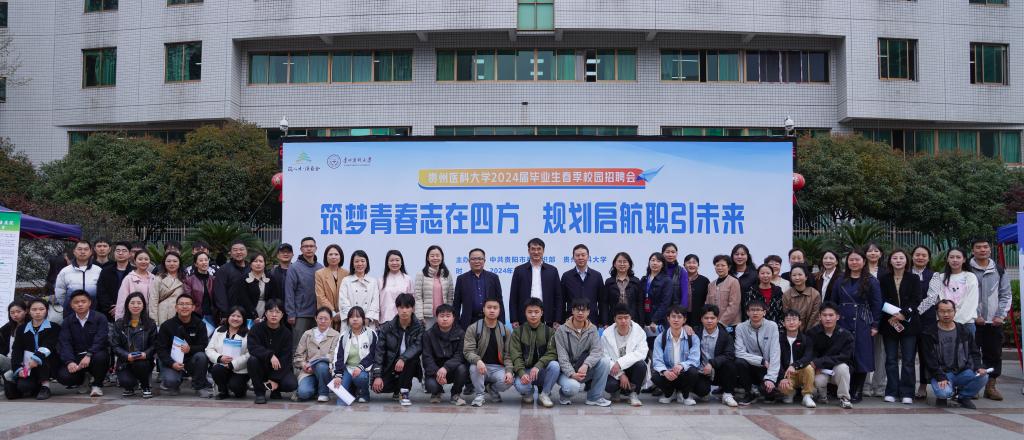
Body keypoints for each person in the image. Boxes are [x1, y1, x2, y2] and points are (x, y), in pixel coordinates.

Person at [827, 248, 881, 402]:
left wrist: (875, 325)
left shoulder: (871, 281)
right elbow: (833, 302)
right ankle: (842, 389)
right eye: (851, 259)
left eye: (857, 259)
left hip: (862, 322)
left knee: (860, 356)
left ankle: (857, 391)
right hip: (842, 321)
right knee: (842, 354)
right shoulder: (840, 280)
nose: (854, 262)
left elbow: (877, 304)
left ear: (863, 262)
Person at [921, 300, 989, 409]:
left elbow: (974, 352)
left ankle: (963, 397)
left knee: (983, 376)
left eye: (949, 311)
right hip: (941, 373)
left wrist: (978, 367)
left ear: (955, 311)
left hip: (962, 371)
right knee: (944, 393)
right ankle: (945, 394)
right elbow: (929, 359)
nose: (946, 314)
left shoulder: (964, 330)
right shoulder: (929, 333)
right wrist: (940, 376)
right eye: (942, 311)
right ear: (937, 313)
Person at [968, 238, 1010, 401]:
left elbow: (1005, 294)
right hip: (971, 321)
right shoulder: (966, 269)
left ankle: (990, 386)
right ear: (973, 250)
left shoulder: (999, 270)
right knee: (970, 354)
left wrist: (1000, 315)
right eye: (978, 247)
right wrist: (974, 315)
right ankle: (973, 386)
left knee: (993, 355)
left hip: (993, 322)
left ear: (990, 250)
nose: (982, 250)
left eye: (985, 247)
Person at [879, 249, 921, 404]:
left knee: (908, 360)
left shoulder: (914, 278)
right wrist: (892, 314)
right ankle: (891, 391)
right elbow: (881, 298)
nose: (898, 260)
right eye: (895, 258)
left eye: (901, 258)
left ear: (906, 261)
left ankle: (907, 392)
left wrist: (904, 313)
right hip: (889, 322)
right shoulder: (884, 278)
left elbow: (916, 299)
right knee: (890, 359)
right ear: (890, 261)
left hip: (909, 323)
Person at [554, 298, 612, 406]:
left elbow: (597, 351)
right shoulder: (561, 330)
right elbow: (562, 357)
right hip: (566, 371)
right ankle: (564, 394)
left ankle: (594, 397)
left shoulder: (593, 329)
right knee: (572, 387)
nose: (580, 313)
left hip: (583, 369)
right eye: (577, 310)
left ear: (588, 312)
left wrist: (586, 364)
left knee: (604, 362)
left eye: (583, 310)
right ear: (572, 311)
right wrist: (572, 374)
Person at [372, 293, 423, 406]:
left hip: (409, 363)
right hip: (390, 363)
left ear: (413, 309)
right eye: (401, 307)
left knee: (411, 360)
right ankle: (397, 389)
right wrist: (377, 376)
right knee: (379, 388)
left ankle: (404, 393)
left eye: (407, 307)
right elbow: (379, 353)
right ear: (397, 308)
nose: (404, 311)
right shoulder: (387, 327)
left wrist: (403, 358)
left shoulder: (419, 326)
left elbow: (418, 346)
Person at [55, 290, 110, 396]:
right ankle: (83, 380)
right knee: (64, 376)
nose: (80, 304)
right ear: (71, 305)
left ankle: (97, 384)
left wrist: (89, 354)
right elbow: (65, 343)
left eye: (83, 301)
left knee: (101, 357)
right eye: (76, 302)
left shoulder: (100, 318)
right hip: (77, 356)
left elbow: (101, 339)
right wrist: (70, 361)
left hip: (95, 355)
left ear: (89, 303)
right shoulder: (67, 321)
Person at [156, 294, 212, 397]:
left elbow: (204, 345)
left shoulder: (200, 324)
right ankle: (173, 381)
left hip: (190, 361)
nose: (184, 307)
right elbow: (161, 349)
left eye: (187, 304)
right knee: (171, 382)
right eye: (181, 304)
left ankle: (199, 386)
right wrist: (172, 363)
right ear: (176, 307)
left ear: (193, 307)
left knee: (201, 356)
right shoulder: (166, 325)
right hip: (172, 362)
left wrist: (190, 349)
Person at [4, 298, 60, 400]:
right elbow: (17, 350)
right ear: (28, 311)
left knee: (43, 355)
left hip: (48, 362)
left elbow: (48, 345)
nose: (38, 312)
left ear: (46, 310)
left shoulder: (54, 327)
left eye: (41, 309)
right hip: (28, 365)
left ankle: (45, 386)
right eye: (34, 309)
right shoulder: (22, 328)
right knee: (23, 386)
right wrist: (18, 369)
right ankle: (36, 386)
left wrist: (36, 359)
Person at [464, 295, 513, 407]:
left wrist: (509, 371)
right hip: (481, 365)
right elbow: (468, 351)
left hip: (498, 367)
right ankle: (479, 394)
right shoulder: (473, 328)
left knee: (509, 380)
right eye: (489, 307)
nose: (492, 310)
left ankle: (492, 388)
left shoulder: (505, 330)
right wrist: (478, 361)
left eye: (495, 308)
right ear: (483, 309)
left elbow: (508, 354)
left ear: (499, 310)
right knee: (473, 367)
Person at [510, 298, 559, 407]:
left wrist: (538, 366)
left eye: (536, 312)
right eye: (530, 312)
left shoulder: (549, 331)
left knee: (555, 365)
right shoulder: (518, 332)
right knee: (522, 387)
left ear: (542, 313)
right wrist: (522, 373)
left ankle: (545, 394)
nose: (533, 315)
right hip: (525, 371)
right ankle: (528, 393)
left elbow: (552, 353)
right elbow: (515, 356)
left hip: (541, 371)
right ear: (525, 313)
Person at [247, 299, 297, 404]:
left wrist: (274, 379)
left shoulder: (286, 333)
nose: (274, 315)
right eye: (271, 311)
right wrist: (270, 355)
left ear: (282, 315)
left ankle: (275, 389)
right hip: (262, 366)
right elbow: (253, 347)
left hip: (279, 368)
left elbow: (286, 358)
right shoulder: (256, 329)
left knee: (291, 384)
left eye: (277, 312)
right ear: (265, 313)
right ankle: (260, 393)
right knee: (252, 360)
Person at [807, 302, 855, 409]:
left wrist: (819, 362)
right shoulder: (812, 333)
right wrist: (816, 365)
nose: (828, 318)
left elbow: (845, 357)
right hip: (819, 370)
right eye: (824, 315)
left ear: (837, 317)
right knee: (818, 379)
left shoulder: (846, 335)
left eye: (831, 315)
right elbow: (809, 353)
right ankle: (822, 396)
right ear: (820, 316)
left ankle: (844, 398)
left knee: (843, 367)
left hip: (836, 370)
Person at [918, 249, 979, 331]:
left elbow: (971, 302)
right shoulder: (940, 277)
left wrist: (954, 321)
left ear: (964, 260)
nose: (955, 260)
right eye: (951, 257)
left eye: (958, 257)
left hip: (966, 323)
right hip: (943, 323)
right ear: (947, 259)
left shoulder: (970, 277)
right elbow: (934, 299)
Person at [734, 299, 781, 404]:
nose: (755, 313)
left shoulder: (772, 326)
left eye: (758, 310)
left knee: (769, 394)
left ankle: (761, 389)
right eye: (752, 310)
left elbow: (775, 353)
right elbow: (739, 352)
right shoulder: (740, 327)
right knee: (739, 362)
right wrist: (761, 361)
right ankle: (749, 392)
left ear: (764, 312)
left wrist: (771, 378)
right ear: (747, 312)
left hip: (768, 367)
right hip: (752, 365)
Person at [651, 305, 701, 405]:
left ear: (684, 320)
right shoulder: (660, 338)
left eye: (679, 317)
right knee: (655, 376)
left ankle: (685, 395)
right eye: (673, 316)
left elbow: (695, 359)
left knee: (693, 372)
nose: (676, 320)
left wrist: (681, 365)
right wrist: (665, 371)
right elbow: (657, 360)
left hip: (684, 373)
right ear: (668, 318)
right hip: (669, 374)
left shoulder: (693, 338)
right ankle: (669, 393)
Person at [111, 292, 157, 398]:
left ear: (143, 305)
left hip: (143, 361)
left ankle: (145, 386)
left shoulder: (150, 324)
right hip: (125, 361)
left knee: (140, 364)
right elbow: (115, 346)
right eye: (132, 303)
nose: (135, 306)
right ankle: (131, 385)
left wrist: (145, 354)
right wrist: (126, 355)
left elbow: (155, 344)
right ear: (127, 305)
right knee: (126, 383)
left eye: (139, 303)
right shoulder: (119, 324)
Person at [602, 303, 648, 406]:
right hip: (614, 370)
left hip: (631, 369)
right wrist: (621, 374)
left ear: (630, 318)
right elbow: (604, 357)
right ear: (614, 319)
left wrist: (620, 363)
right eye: (620, 318)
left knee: (641, 365)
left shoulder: (639, 331)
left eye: (626, 317)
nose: (623, 321)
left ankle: (633, 394)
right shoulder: (606, 334)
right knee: (610, 385)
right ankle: (615, 392)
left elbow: (641, 352)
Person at [509, 238, 562, 327]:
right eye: (533, 249)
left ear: (543, 251)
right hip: (525, 315)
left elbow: (558, 297)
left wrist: (558, 319)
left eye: (539, 249)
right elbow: (513, 297)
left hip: (547, 316)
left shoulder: (552, 270)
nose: (536, 252)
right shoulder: (519, 270)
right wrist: (514, 319)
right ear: (528, 251)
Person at [694, 304, 739, 407]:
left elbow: (729, 354)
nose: (709, 321)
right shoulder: (695, 332)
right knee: (702, 391)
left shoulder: (725, 335)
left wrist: (712, 363)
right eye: (706, 318)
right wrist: (686, 326)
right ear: (701, 319)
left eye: (712, 318)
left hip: (718, 371)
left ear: (717, 319)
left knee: (730, 365)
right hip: (702, 371)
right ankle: (702, 392)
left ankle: (727, 394)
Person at [422, 304, 467, 405]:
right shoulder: (428, 334)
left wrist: (446, 368)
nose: (445, 319)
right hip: (435, 371)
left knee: (462, 369)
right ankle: (436, 393)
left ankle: (455, 394)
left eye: (448, 316)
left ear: (453, 318)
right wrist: (437, 372)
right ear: (437, 318)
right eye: (442, 316)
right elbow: (427, 357)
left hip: (452, 369)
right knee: (431, 386)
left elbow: (460, 356)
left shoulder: (461, 334)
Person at [294, 307, 341, 402]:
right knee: (304, 393)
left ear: (331, 320)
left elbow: (333, 356)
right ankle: (315, 388)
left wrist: (314, 363)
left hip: (326, 371)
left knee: (321, 366)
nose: (323, 321)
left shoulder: (336, 335)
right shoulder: (307, 334)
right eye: (320, 318)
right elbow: (298, 355)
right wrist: (303, 365)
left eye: (326, 319)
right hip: (308, 372)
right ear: (315, 318)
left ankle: (323, 393)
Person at [332, 306, 377, 403]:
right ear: (348, 320)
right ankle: (352, 390)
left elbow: (373, 354)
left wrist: (360, 367)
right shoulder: (344, 335)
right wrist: (338, 375)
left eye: (358, 317)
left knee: (361, 377)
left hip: (363, 369)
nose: (355, 319)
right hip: (347, 368)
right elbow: (339, 356)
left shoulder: (370, 334)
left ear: (363, 319)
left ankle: (364, 394)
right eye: (352, 317)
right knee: (341, 402)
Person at [286, 237, 324, 347]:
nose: (309, 248)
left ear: (316, 248)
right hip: (300, 314)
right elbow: (289, 292)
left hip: (317, 314)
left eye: (311, 246)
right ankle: (296, 360)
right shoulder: (294, 267)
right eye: (305, 246)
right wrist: (291, 313)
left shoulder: (320, 267)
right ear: (301, 249)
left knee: (315, 345)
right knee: (298, 345)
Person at [910, 245, 937, 399]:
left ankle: (923, 385)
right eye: (917, 254)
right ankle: (908, 385)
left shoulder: (934, 276)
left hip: (927, 320)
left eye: (924, 255)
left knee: (925, 354)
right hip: (907, 320)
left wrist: (915, 311)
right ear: (912, 256)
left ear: (928, 258)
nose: (920, 257)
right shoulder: (905, 273)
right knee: (908, 354)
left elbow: (932, 298)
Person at [206, 306, 250, 399]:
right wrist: (219, 358)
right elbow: (209, 349)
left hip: (240, 369)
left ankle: (242, 388)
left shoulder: (248, 334)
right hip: (222, 365)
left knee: (237, 390)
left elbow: (249, 354)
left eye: (239, 316)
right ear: (228, 317)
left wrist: (232, 364)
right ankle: (223, 391)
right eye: (233, 315)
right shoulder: (219, 330)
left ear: (243, 319)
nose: (235, 319)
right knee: (217, 369)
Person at [453, 248, 504, 329]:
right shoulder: (461, 279)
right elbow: (456, 304)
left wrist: (501, 322)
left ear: (484, 260)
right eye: (473, 259)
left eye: (480, 259)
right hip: (468, 321)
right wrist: (455, 324)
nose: (477, 261)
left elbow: (499, 300)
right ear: (469, 261)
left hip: (490, 320)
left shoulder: (493, 277)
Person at [53, 239, 102, 321]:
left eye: (86, 249)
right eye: (79, 249)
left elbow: (102, 292)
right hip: (70, 313)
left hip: (94, 312)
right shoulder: (65, 271)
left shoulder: (98, 270)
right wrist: (69, 305)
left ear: (91, 252)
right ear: (74, 252)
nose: (82, 252)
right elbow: (60, 293)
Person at [777, 310, 816, 408]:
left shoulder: (806, 339)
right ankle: (790, 393)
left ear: (800, 323)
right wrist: (782, 377)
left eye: (794, 319)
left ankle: (807, 395)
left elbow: (808, 357)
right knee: (782, 387)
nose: (791, 322)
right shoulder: (778, 339)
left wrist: (794, 365)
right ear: (783, 323)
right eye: (788, 320)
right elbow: (776, 360)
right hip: (787, 373)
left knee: (809, 368)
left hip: (801, 371)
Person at [560, 244, 604, 325]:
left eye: (583, 255)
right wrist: (560, 320)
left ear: (588, 257)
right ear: (573, 258)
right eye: (577, 255)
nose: (580, 258)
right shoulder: (566, 276)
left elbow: (602, 301)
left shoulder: (597, 276)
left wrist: (603, 321)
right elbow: (561, 301)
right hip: (571, 320)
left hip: (592, 320)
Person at [414, 245, 455, 329]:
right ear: (427, 258)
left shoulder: (447, 274)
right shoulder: (421, 274)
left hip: (444, 316)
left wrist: (449, 314)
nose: (435, 258)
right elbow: (418, 297)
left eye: (437, 255)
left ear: (442, 257)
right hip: (427, 317)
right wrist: (420, 317)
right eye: (432, 256)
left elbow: (450, 297)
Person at [232, 254, 283, 321]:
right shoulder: (243, 279)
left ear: (264, 264)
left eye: (261, 261)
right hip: (248, 312)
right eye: (255, 261)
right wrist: (254, 315)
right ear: (250, 264)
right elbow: (243, 299)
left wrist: (267, 314)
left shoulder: (271, 279)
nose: (258, 264)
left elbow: (274, 298)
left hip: (268, 313)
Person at [339, 250, 380, 329]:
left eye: (362, 261)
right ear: (352, 264)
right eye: (357, 261)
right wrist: (353, 318)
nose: (360, 264)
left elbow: (375, 303)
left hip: (367, 323)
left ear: (367, 263)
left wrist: (367, 318)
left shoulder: (373, 281)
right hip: (350, 322)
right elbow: (343, 302)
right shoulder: (346, 281)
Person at [640, 253, 671, 351]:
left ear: (663, 264)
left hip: (659, 321)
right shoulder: (644, 279)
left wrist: (654, 320)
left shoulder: (666, 280)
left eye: (658, 261)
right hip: (644, 319)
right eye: (653, 260)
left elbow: (665, 303)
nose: (655, 263)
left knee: (658, 348)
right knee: (645, 348)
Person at [602, 252, 642, 327]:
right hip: (613, 320)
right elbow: (605, 304)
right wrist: (605, 322)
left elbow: (640, 304)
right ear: (614, 264)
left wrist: (641, 323)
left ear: (629, 264)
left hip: (632, 319)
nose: (622, 264)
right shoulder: (609, 282)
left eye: (625, 262)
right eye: (619, 261)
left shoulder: (636, 282)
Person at [97, 241, 133, 322]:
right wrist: (111, 307)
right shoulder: (105, 271)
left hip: (130, 313)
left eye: (124, 251)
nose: (120, 253)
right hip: (108, 314)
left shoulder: (134, 272)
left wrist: (121, 308)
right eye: (117, 250)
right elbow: (101, 292)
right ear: (114, 253)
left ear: (130, 254)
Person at [148, 251, 187, 326]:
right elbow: (153, 301)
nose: (171, 264)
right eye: (168, 261)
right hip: (163, 314)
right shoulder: (158, 279)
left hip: (180, 314)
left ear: (179, 263)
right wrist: (154, 322)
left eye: (175, 261)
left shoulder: (185, 279)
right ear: (164, 263)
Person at [214, 241, 249, 322]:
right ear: (230, 253)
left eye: (241, 249)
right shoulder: (224, 269)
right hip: (230, 314)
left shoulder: (251, 268)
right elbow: (220, 293)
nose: (238, 252)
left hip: (249, 313)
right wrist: (224, 313)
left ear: (246, 251)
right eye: (235, 250)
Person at [115, 251, 155, 320]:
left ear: (149, 261)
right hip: (133, 316)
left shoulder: (154, 278)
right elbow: (121, 300)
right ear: (135, 261)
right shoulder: (129, 278)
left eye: (146, 259)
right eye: (140, 259)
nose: (143, 262)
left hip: (150, 317)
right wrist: (119, 318)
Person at [314, 244, 348, 322]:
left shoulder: (346, 273)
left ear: (341, 257)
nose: (333, 257)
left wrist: (341, 312)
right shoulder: (319, 273)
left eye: (336, 254)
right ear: (326, 257)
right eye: (330, 254)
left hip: (343, 314)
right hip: (326, 313)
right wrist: (333, 313)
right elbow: (320, 296)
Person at [782, 264, 821, 332]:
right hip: (792, 332)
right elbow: (787, 315)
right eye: (794, 275)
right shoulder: (786, 295)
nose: (797, 278)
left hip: (811, 332)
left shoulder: (815, 294)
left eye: (800, 275)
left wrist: (808, 333)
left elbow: (815, 317)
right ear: (790, 277)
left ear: (806, 277)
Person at [706, 255, 742, 328]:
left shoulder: (734, 282)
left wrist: (721, 323)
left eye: (723, 265)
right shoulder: (711, 285)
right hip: (713, 324)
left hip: (731, 324)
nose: (720, 268)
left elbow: (734, 306)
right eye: (717, 265)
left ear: (729, 267)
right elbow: (708, 305)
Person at [379, 250, 414, 324]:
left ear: (401, 262)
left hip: (404, 320)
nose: (394, 263)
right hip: (386, 319)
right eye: (391, 260)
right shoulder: (380, 280)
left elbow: (412, 301)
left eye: (397, 260)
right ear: (387, 263)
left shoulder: (408, 279)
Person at [184, 252, 217, 323]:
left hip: (212, 315)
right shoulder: (189, 280)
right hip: (196, 315)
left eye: (206, 260)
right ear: (196, 264)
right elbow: (188, 299)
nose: (204, 262)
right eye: (201, 260)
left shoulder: (214, 279)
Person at [661, 243, 693, 317]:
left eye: (673, 252)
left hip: (675, 312)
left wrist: (681, 312)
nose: (670, 254)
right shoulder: (658, 270)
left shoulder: (682, 271)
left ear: (676, 254)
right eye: (667, 252)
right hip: (658, 311)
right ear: (662, 253)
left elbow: (685, 295)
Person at [0, 300, 27, 378]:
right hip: (9, 359)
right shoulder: (9, 326)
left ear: (26, 311)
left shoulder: (31, 326)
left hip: (22, 363)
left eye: (18, 311)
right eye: (12, 313)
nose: (15, 315)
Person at [684, 254, 710, 325]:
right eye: (689, 262)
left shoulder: (704, 281)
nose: (691, 265)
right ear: (684, 265)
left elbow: (708, 300)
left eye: (694, 263)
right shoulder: (680, 279)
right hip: (682, 316)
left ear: (698, 265)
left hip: (699, 317)